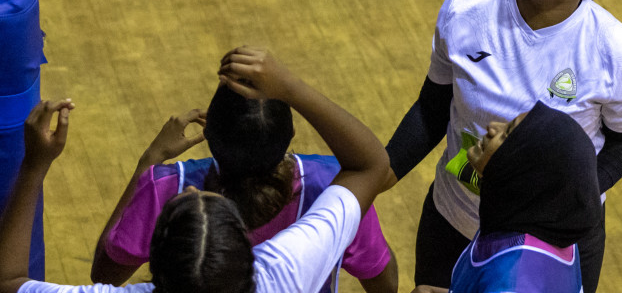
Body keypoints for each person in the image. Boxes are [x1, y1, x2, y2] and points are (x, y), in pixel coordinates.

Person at [385, 0, 622, 293]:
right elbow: (432, 107)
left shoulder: (617, 51)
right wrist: (374, 177)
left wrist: (571, 197)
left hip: (552, 246)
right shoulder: (466, 7)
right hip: (455, 222)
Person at [0, 46, 391, 293]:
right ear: (249, 252)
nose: (189, 192)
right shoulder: (284, 269)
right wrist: (290, 86)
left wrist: (35, 164)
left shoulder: (162, 186)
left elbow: (27, 281)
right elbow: (369, 166)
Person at [91, 79, 396, 292]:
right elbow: (383, 280)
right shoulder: (331, 184)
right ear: (290, 134)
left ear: (208, 131)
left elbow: (105, 275)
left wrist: (149, 160)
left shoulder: (167, 188)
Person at [411, 101, 603, 293]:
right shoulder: (544, 231)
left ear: (525, 172)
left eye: (507, 134)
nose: (493, 127)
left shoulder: (511, 282)